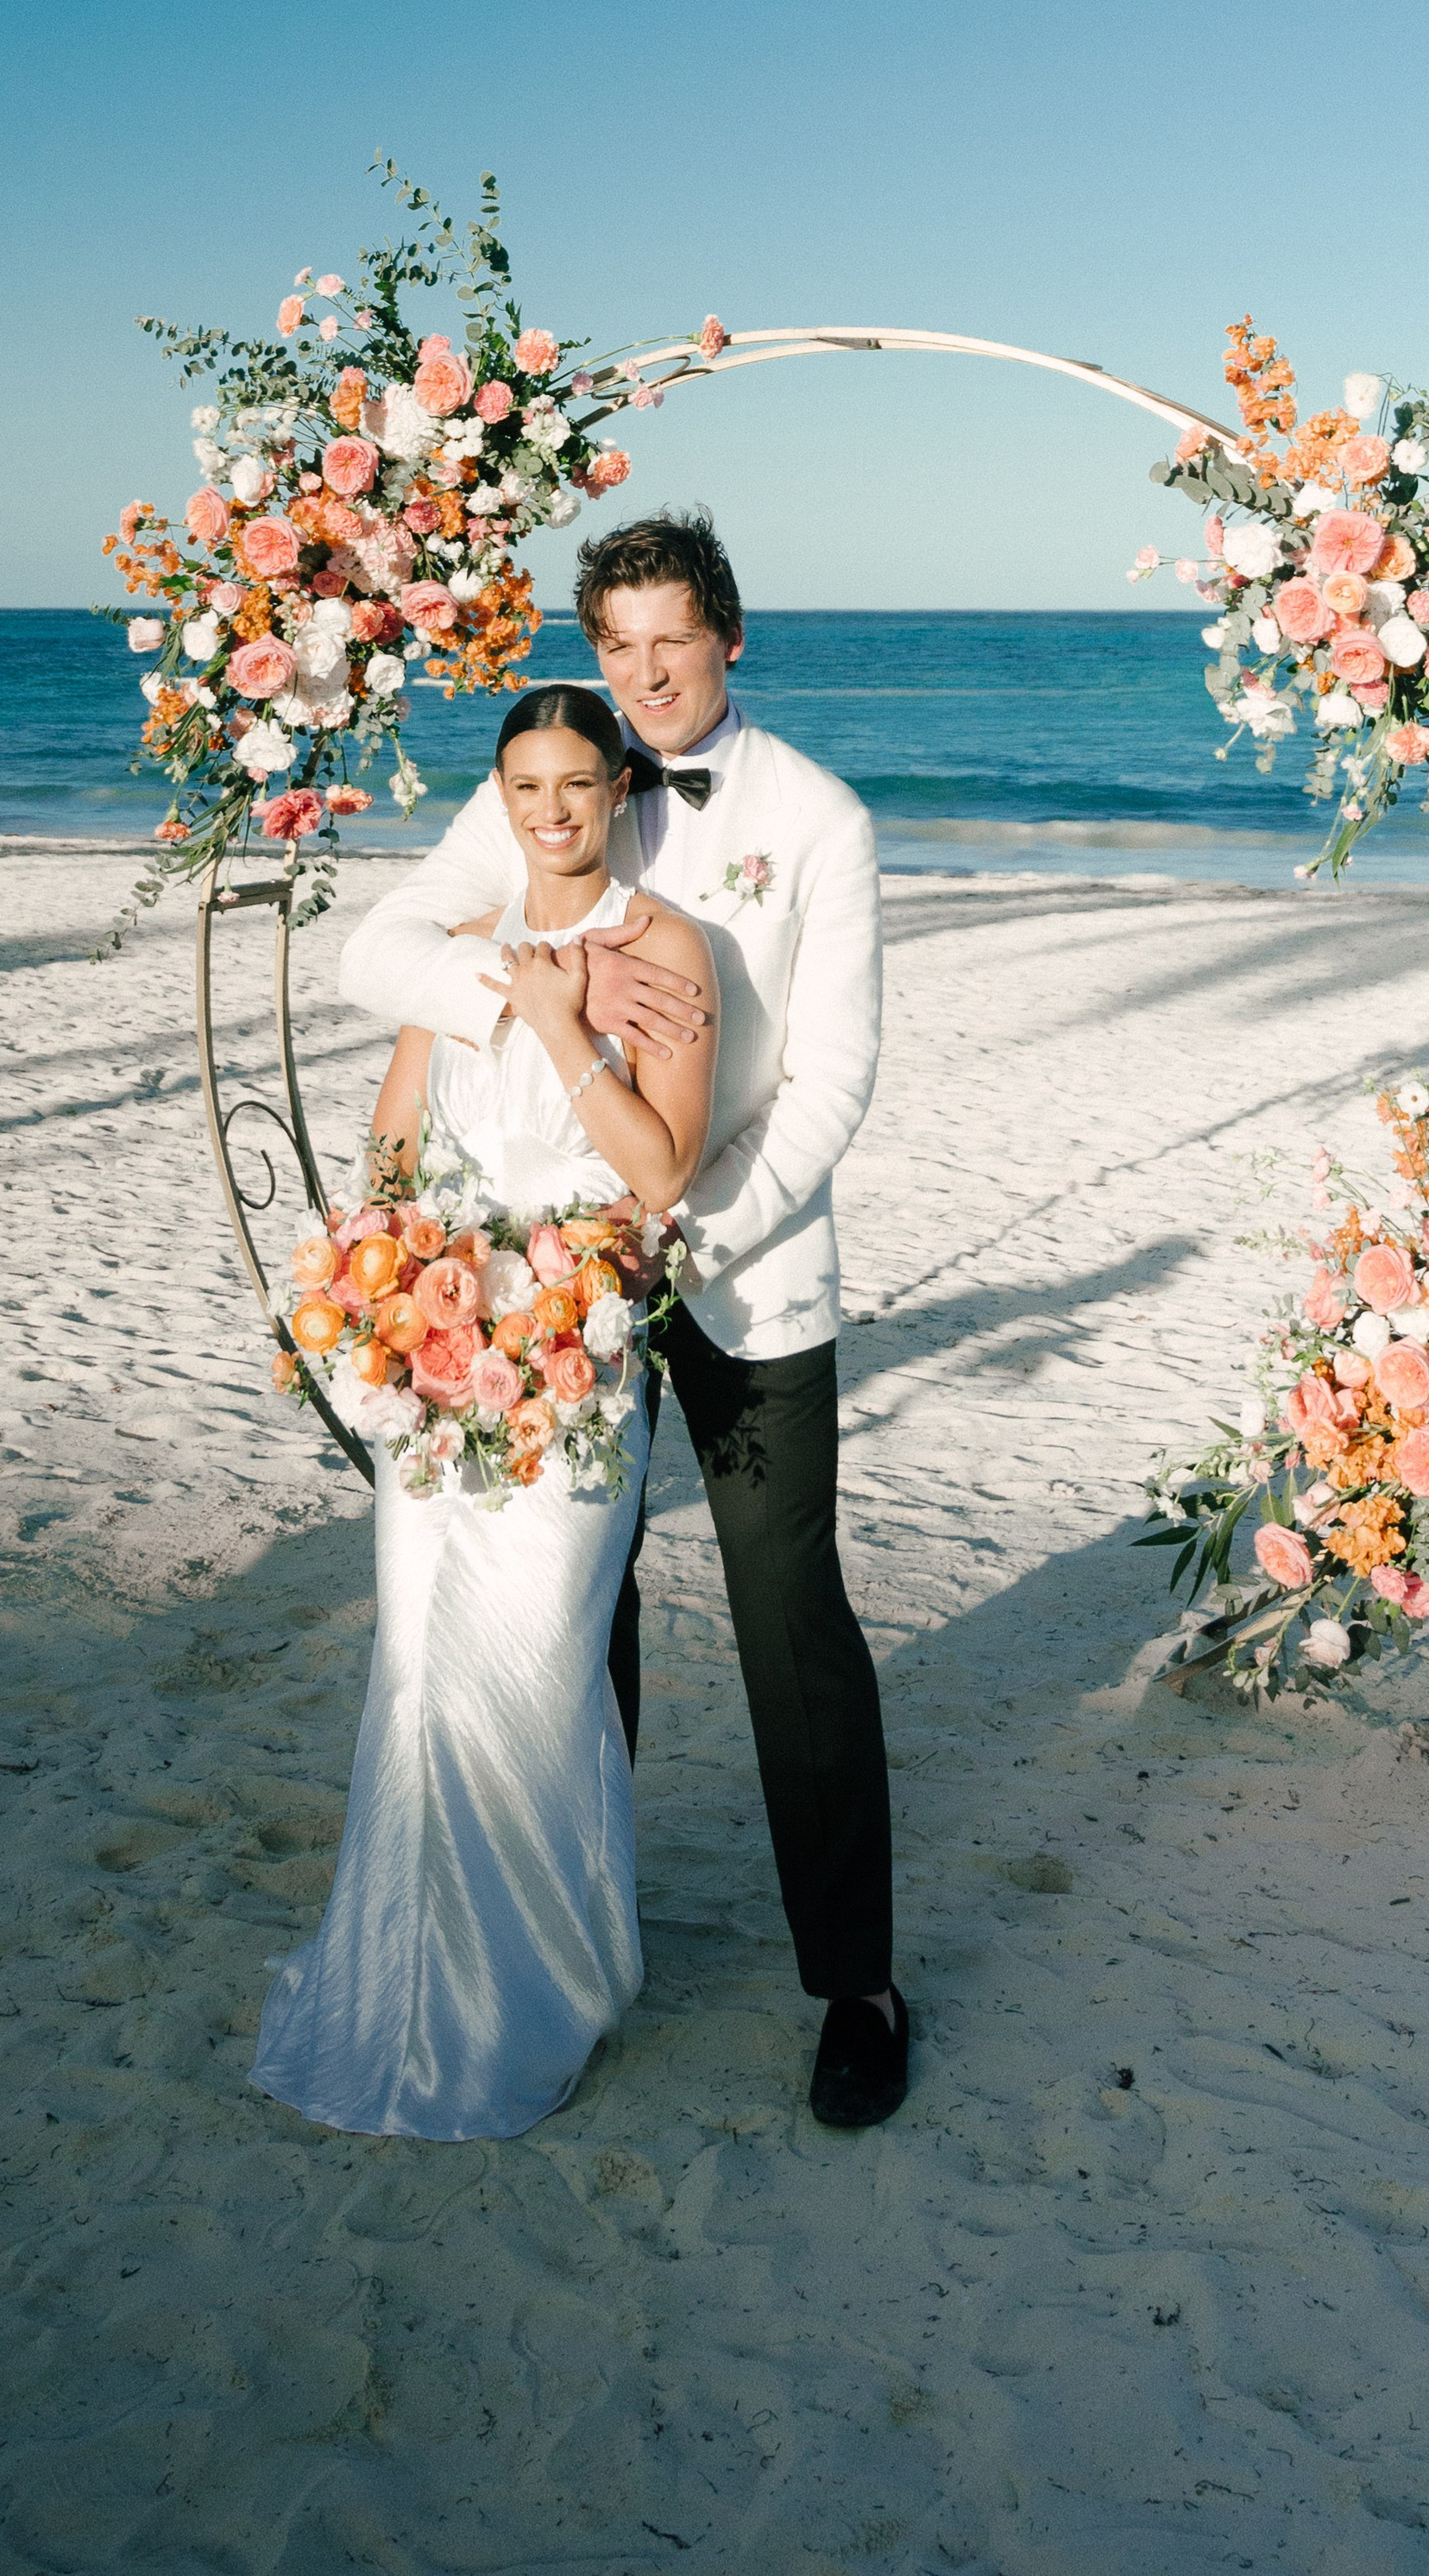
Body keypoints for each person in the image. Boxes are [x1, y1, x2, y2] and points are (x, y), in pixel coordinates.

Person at [336, 509, 907, 2131]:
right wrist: (542, 997)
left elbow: (831, 1083)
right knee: (569, 1616)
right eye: (620, 647)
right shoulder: (560, 771)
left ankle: (855, 1985)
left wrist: (667, 1231)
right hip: (540, 1287)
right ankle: (561, 1955)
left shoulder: (819, 821)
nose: (646, 677)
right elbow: (389, 951)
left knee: (792, 1622)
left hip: (740, 1268)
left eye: (675, 641)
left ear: (730, 636)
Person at [252, 685, 719, 2140]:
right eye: (527, 786)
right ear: (500, 798)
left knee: (531, 1664)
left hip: (577, 1353)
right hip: (443, 1354)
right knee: (418, 1667)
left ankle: (547, 1986)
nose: (554, 812)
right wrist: (387, 1292)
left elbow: (658, 1174)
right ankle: (402, 1985)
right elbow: (396, 1138)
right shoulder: (456, 954)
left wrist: (563, 1022)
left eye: (580, 784)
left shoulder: (666, 954)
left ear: (620, 791)